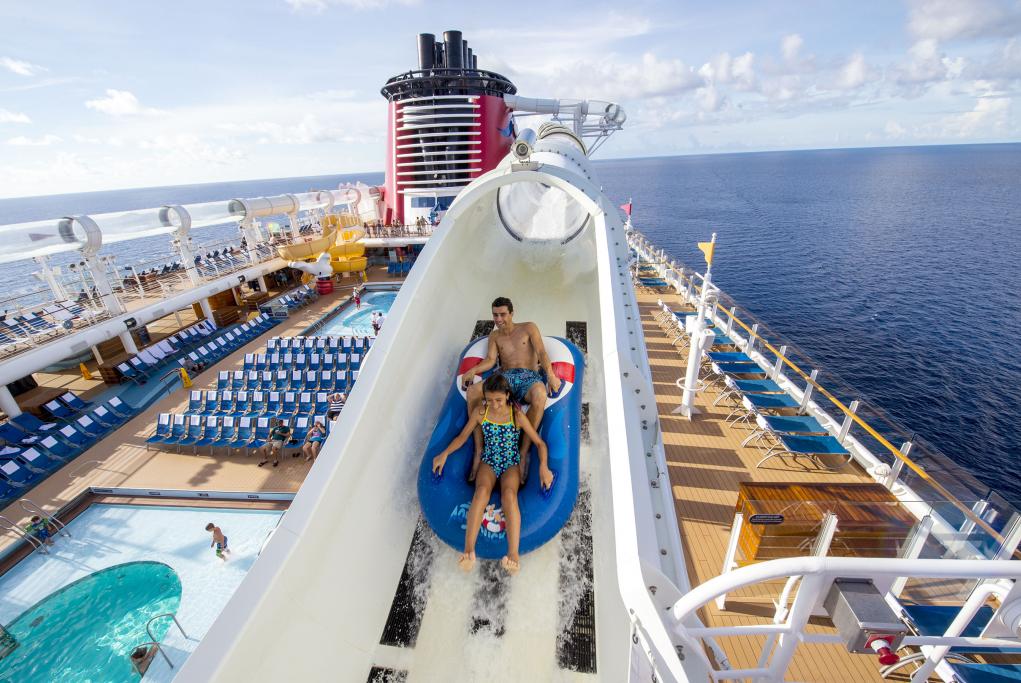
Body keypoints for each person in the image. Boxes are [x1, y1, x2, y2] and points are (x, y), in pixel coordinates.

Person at [432, 373, 551, 576]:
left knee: (509, 495)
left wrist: (543, 467)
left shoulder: (517, 415)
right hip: (489, 460)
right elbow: (462, 437)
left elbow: (539, 443)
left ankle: (513, 555)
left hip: (511, 462)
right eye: (489, 399)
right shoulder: (481, 412)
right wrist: (444, 453)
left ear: (507, 395)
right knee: (481, 491)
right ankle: (469, 550)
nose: (494, 405)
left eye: (498, 400)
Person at [461, 297, 561, 483]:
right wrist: (473, 370)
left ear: (512, 313)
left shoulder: (528, 328)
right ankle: (479, 449)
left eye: (502, 314)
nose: (498, 319)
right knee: (473, 391)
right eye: (495, 315)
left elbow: (541, 353)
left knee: (540, 394)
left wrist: (551, 375)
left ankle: (523, 452)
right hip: (505, 377)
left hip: (528, 377)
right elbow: (491, 361)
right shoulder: (495, 336)